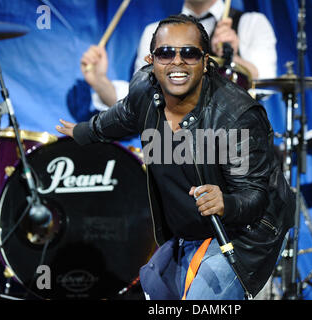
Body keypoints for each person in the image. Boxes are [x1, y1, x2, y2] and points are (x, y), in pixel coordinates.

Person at [57, 14, 294, 300]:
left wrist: (226, 201)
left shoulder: (236, 116)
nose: (177, 62)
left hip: (245, 234)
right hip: (190, 232)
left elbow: (255, 196)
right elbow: (121, 117)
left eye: (190, 53)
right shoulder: (145, 91)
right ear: (151, 61)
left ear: (206, 62)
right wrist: (84, 131)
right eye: (166, 53)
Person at [78, 0, 277, 113]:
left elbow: (266, 84)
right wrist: (100, 82)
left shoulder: (251, 24)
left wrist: (232, 56)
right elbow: (141, 100)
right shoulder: (155, 32)